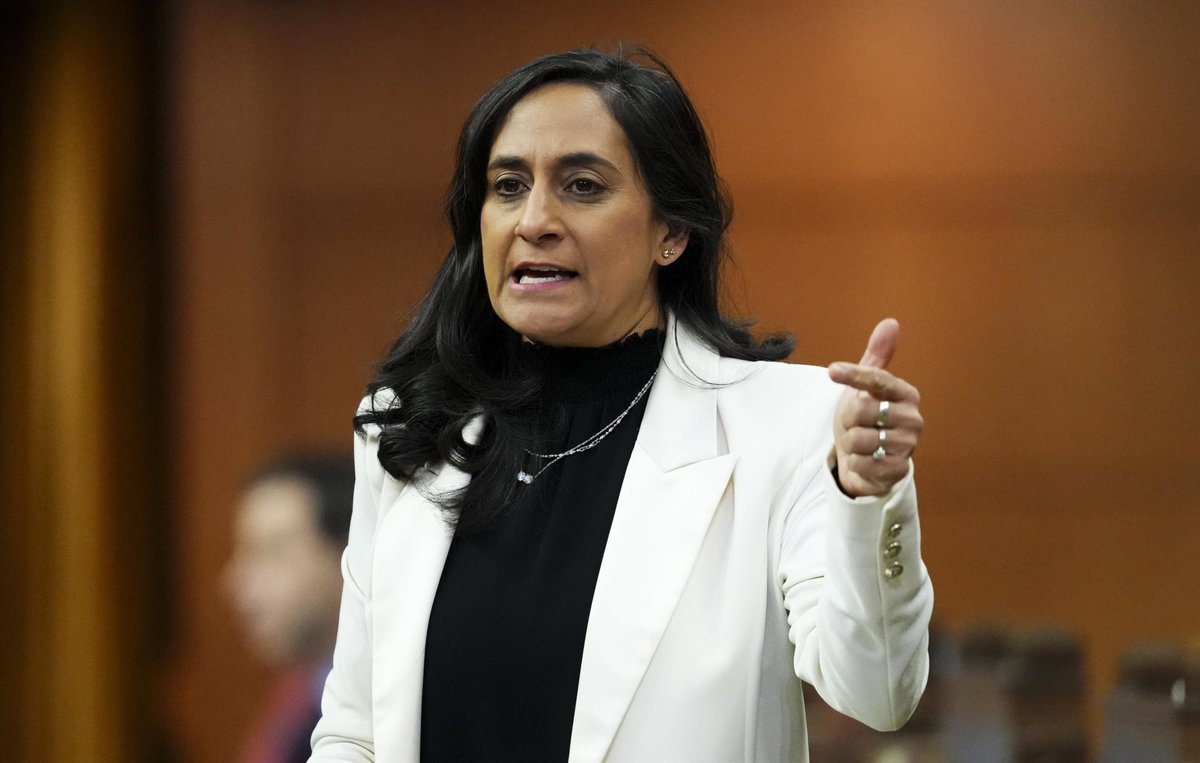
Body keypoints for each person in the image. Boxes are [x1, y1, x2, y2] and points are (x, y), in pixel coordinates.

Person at [310, 46, 932, 762]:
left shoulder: (789, 423)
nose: (534, 220)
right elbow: (355, 730)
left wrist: (866, 498)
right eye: (508, 186)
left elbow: (878, 693)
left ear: (672, 232)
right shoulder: (411, 426)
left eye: (582, 186)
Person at [224, 454, 355, 763]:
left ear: (349, 555)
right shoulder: (298, 697)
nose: (236, 582)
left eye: (271, 552)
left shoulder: (398, 702)